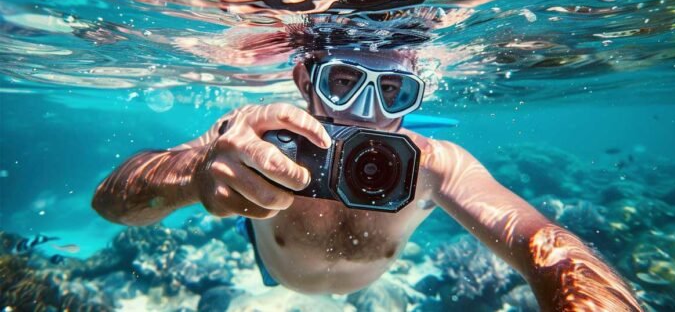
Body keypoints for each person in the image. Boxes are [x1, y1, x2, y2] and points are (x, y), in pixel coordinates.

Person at [92, 48, 642, 311]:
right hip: (274, 273)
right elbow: (110, 204)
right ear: (304, 80)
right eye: (344, 83)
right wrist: (193, 173)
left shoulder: (435, 163)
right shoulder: (252, 141)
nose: (367, 115)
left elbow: (545, 247)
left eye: (394, 94)